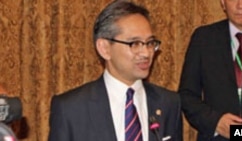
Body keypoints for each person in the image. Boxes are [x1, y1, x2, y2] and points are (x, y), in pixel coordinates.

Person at [48, 1, 182, 141]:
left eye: (149, 43)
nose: (146, 53)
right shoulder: (71, 108)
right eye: (135, 44)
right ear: (104, 48)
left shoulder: (169, 103)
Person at [178, 0, 242, 141]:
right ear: (223, 2)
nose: (241, 5)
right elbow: (187, 95)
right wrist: (215, 122)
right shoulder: (204, 38)